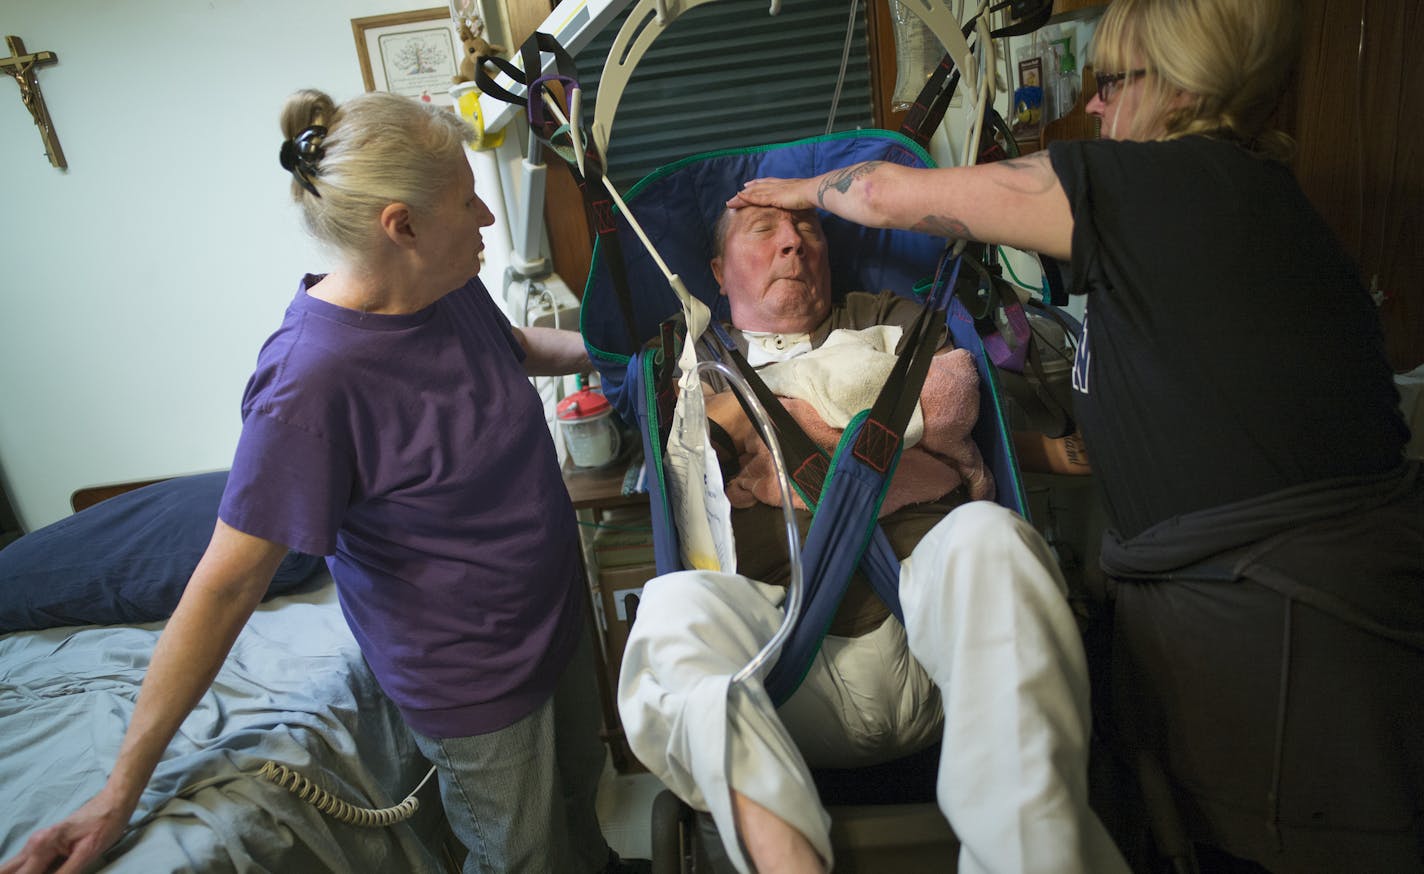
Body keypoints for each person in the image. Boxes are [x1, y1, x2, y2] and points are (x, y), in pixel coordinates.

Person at [728, 0, 1423, 870]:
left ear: (1178, 88)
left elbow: (876, 193)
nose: (1093, 110)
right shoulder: (1222, 198)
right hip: (1254, 599)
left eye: (1111, 84)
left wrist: (795, 191)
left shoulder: (1167, 185)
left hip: (1285, 619)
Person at [0, 89, 646, 874]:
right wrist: (118, 791)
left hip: (554, 619)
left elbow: (513, 347)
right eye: (465, 200)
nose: (484, 218)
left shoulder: (443, 288)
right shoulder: (310, 384)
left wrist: (626, 346)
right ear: (399, 226)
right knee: (529, 857)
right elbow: (224, 588)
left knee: (583, 806)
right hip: (474, 678)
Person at [617, 203, 1131, 874]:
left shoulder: (893, 317)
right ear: (718, 271)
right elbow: (693, 473)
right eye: (764, 230)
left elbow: (947, 404)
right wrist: (851, 411)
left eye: (809, 230)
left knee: (993, 539)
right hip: (784, 662)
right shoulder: (688, 365)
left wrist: (766, 415)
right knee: (671, 609)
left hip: (934, 629)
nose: (794, 245)